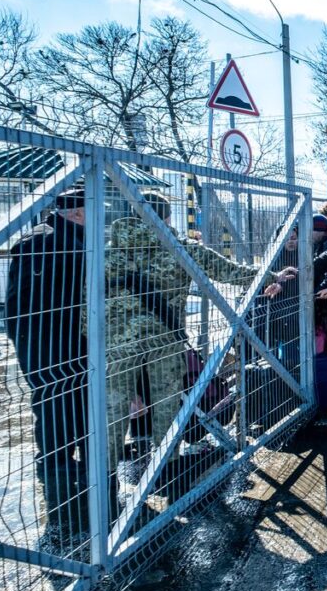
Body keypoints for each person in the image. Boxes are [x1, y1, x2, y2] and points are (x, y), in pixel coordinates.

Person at [103, 192, 273, 468]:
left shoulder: (108, 253)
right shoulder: (179, 248)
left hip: (116, 346)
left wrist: (93, 340)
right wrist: (272, 276)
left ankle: (105, 484)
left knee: (114, 410)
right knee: (166, 405)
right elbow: (229, 272)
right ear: (167, 217)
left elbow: (88, 304)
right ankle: (166, 468)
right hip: (164, 342)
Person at [5, 187, 90, 533]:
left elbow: (14, 306)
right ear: (77, 213)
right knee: (70, 409)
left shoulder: (37, 240)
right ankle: (66, 497)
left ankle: (63, 476)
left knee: (56, 408)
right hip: (65, 344)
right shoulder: (65, 243)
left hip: (40, 345)